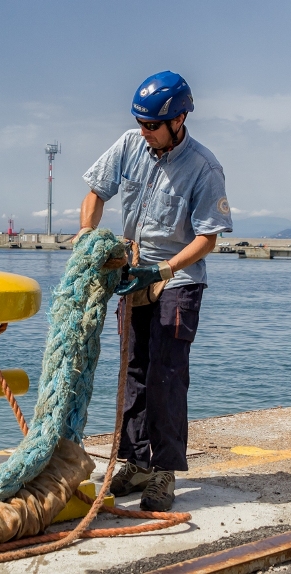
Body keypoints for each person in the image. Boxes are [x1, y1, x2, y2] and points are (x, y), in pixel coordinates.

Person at [76, 71, 233, 511]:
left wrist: (161, 270)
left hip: (178, 280)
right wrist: (88, 232)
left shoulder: (204, 168)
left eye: (153, 126)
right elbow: (95, 191)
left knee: (165, 375)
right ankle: (135, 462)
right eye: (141, 124)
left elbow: (208, 238)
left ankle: (163, 471)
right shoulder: (130, 144)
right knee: (134, 373)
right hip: (133, 275)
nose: (145, 133)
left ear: (179, 119)